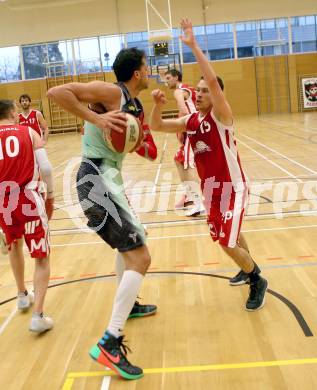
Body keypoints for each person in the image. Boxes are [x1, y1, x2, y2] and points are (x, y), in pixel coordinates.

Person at [47, 47, 157, 380]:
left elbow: (149, 152)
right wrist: (95, 118)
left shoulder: (132, 106)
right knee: (140, 257)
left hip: (109, 179)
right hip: (97, 179)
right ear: (137, 73)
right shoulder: (112, 92)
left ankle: (130, 304)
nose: (149, 70)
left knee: (134, 245)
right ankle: (110, 341)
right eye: (146, 66)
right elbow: (56, 91)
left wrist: (143, 131)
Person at [149, 19, 267, 311]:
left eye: (204, 91)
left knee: (226, 242)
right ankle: (249, 269)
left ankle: (257, 280)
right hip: (212, 191)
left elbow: (213, 82)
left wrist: (192, 45)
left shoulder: (221, 117)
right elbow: (156, 125)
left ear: (214, 95)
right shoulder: (192, 121)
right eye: (197, 91)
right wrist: (156, 104)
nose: (199, 94)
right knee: (232, 236)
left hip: (233, 189)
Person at [0, 99, 54, 332]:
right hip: (28, 198)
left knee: (14, 245)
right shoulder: (29, 131)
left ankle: (22, 294)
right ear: (13, 112)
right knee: (41, 257)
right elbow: (47, 168)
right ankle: (38, 316)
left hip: (4, 201)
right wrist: (50, 196)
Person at [165, 69, 204, 216]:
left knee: (188, 164)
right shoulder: (191, 89)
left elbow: (183, 109)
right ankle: (190, 195)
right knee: (179, 159)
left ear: (176, 77)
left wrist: (181, 128)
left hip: (193, 129)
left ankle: (198, 202)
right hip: (198, 127)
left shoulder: (179, 91)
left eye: (168, 78)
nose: (166, 81)